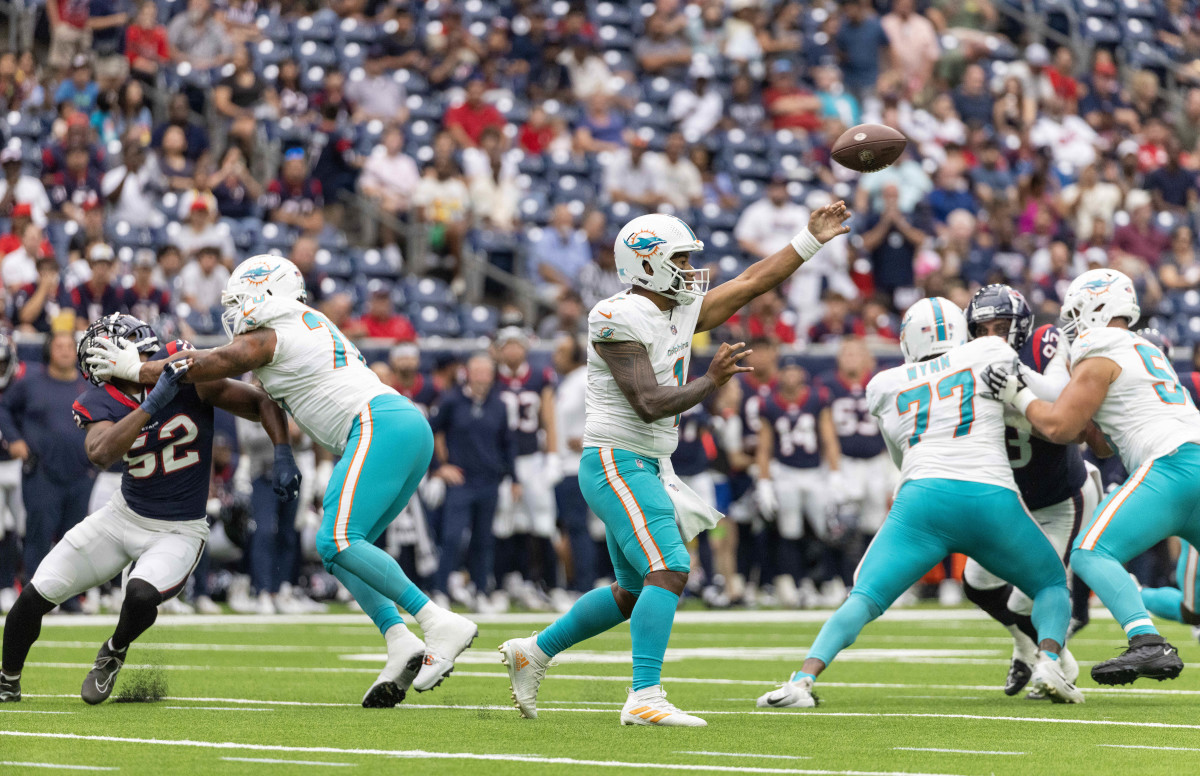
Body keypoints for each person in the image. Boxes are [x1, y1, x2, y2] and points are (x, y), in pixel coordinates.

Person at [499, 202, 852, 726]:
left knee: (633, 591)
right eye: (681, 261)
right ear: (647, 264)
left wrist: (811, 238)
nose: (690, 272)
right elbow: (648, 401)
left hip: (645, 463)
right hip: (616, 460)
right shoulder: (614, 316)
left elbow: (754, 280)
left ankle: (534, 651)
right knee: (670, 568)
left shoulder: (678, 308)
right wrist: (711, 381)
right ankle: (644, 695)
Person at [86, 256, 478, 708]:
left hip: (380, 424)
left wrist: (136, 370)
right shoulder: (298, 324)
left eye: (237, 301)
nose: (232, 311)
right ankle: (398, 639)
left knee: (338, 539)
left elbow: (208, 364)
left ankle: (436, 621)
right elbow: (250, 380)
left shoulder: (277, 332)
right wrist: (283, 451)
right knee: (345, 551)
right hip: (396, 428)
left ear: (263, 293)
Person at [758, 297, 1080, 709]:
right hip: (988, 495)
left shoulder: (886, 384)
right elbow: (1054, 395)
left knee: (865, 596)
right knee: (1050, 583)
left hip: (922, 500)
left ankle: (801, 682)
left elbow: (900, 458)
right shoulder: (989, 350)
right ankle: (1049, 661)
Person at [0, 313, 296, 705]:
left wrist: (283, 452)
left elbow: (260, 401)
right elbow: (101, 453)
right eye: (129, 338)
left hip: (179, 529)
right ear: (104, 359)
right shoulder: (98, 400)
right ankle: (7, 679)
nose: (145, 342)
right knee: (34, 597)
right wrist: (152, 403)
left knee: (139, 595)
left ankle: (114, 650)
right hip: (123, 516)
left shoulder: (182, 371)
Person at [985, 268, 1200, 686]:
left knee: (1089, 553)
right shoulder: (1144, 349)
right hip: (1192, 456)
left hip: (1171, 465)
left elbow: (1059, 428)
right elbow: (1101, 444)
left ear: (1093, 306)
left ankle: (1146, 640)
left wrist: (1017, 392)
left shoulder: (1097, 346)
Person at [961, 284, 1103, 698]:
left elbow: (1062, 407)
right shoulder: (964, 363)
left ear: (1020, 327)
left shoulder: (1044, 343)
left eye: (1001, 327)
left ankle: (1053, 662)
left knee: (1030, 599)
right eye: (982, 328)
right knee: (976, 582)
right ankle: (1026, 646)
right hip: (1011, 501)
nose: (991, 337)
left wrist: (1015, 382)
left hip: (1061, 495)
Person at [0, 329, 93, 587]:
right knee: (38, 535)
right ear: (48, 351)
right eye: (59, 346)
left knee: (75, 539)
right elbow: (3, 408)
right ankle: (35, 592)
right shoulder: (30, 383)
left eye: (69, 346)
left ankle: (72, 597)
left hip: (81, 473)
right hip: (41, 473)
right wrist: (14, 439)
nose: (65, 350)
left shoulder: (87, 386)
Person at [429, 352, 516, 610]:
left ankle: (480, 590)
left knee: (484, 539)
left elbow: (507, 443)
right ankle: (440, 589)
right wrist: (438, 468)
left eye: (486, 372)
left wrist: (513, 477)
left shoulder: (499, 404)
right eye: (477, 371)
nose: (481, 377)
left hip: (489, 481)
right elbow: (429, 429)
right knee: (452, 537)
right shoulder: (452, 400)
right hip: (461, 481)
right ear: (467, 373)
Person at [754, 357, 833, 607]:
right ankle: (797, 583)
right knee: (790, 530)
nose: (789, 376)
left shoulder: (816, 398)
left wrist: (835, 472)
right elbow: (764, 446)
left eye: (793, 371)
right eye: (785, 371)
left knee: (826, 529)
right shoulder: (769, 403)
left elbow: (828, 437)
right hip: (785, 472)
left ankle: (827, 581)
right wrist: (764, 482)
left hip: (815, 471)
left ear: (801, 374)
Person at [492, 327, 559, 609]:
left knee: (542, 521)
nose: (512, 351)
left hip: (532, 458)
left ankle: (551, 585)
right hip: (502, 461)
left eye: (516, 345)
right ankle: (506, 583)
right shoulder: (492, 379)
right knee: (505, 522)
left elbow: (548, 417)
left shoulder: (539, 377)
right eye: (506, 346)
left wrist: (553, 455)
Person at [552, 334, 593, 602]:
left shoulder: (586, 379)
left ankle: (584, 585)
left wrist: (590, 438)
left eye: (561, 351)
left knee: (578, 527)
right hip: (564, 464)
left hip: (578, 464)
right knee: (568, 528)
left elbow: (608, 410)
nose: (556, 357)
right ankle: (575, 582)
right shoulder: (568, 382)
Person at [0, 334, 24, 614]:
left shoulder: (20, 389)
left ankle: (16, 583)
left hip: (17, 466)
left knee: (22, 528)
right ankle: (5, 583)